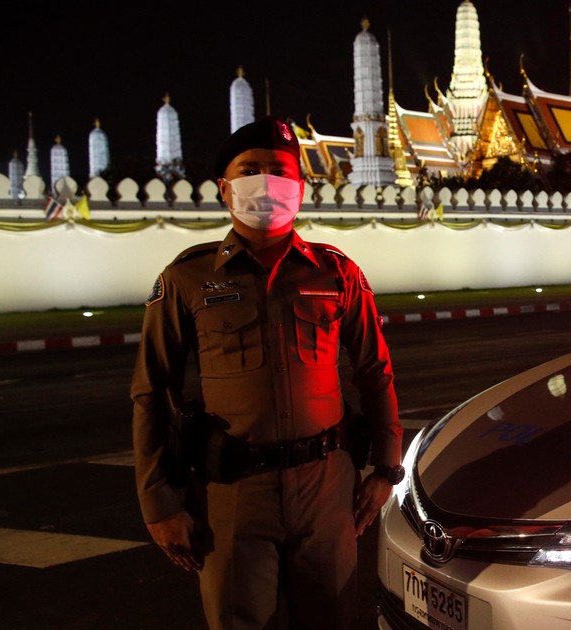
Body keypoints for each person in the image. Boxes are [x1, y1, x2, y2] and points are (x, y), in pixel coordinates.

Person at [131, 115, 404, 629]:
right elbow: (151, 390)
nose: (266, 182)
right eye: (250, 169)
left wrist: (387, 467)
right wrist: (157, 501)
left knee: (334, 620)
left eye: (279, 171)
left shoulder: (336, 272)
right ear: (224, 188)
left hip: (326, 486)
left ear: (299, 186)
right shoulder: (188, 277)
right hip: (232, 493)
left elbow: (374, 369)